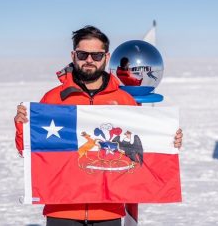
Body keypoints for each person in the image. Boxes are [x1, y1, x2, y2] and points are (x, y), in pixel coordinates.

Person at [14, 25, 183, 226]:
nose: (89, 60)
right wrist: (22, 125)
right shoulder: (53, 98)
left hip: (108, 210)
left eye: (96, 55)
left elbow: (142, 145)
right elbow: (30, 150)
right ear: (73, 55)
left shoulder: (124, 99)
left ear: (106, 57)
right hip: (62, 209)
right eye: (83, 54)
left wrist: (168, 140)